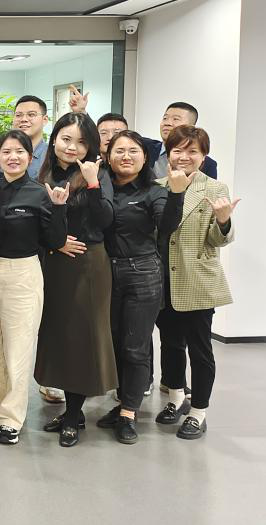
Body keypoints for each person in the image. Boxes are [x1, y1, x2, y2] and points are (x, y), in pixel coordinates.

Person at [0, 130, 68, 445]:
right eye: (6, 152)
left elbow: (55, 241)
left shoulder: (40, 193)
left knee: (18, 348)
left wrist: (59, 208)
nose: (13, 157)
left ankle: (11, 419)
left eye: (19, 151)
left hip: (24, 273)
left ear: (30, 157)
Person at [96, 130, 188, 444]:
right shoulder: (103, 186)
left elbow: (166, 226)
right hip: (106, 274)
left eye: (132, 150)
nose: (126, 156)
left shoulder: (154, 191)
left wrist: (177, 194)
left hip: (142, 273)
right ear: (108, 157)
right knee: (115, 344)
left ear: (144, 157)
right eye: (119, 150)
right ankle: (124, 401)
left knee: (135, 347)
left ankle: (129, 413)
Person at [32, 111, 116, 448]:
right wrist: (54, 242)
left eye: (81, 142)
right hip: (53, 263)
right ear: (54, 140)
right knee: (59, 336)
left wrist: (93, 183)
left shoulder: (98, 173)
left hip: (87, 264)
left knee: (82, 338)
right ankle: (72, 410)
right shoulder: (45, 173)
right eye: (66, 139)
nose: (72, 147)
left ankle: (73, 415)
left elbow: (106, 220)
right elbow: (37, 222)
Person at [153, 125, 237, 440]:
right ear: (169, 154)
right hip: (162, 281)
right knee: (170, 344)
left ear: (203, 156)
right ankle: (176, 397)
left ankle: (198, 411)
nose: (184, 157)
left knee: (200, 350)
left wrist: (224, 220)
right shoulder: (157, 187)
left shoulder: (214, 188)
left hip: (196, 280)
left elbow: (218, 240)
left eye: (193, 151)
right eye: (178, 150)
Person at [67, 91, 218, 180]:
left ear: (191, 127)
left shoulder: (207, 163)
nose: (168, 123)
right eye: (165, 118)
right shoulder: (145, 146)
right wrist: (82, 113)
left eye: (175, 119)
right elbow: (114, 138)